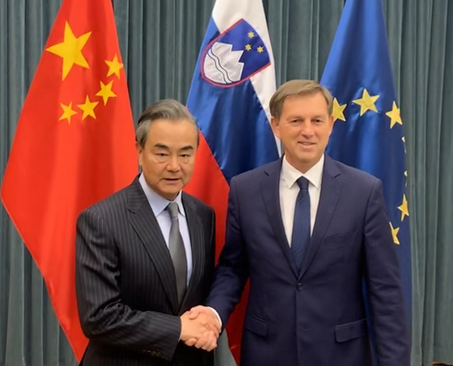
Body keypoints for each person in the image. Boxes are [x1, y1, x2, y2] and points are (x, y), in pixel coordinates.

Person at [190, 80, 409, 365]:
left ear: (330, 124)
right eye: (296, 121)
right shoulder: (245, 190)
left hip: (341, 355)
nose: (308, 131)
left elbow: (385, 290)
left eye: (317, 120)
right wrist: (214, 313)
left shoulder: (364, 192)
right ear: (276, 126)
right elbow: (233, 268)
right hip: (267, 353)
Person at [75, 99, 220, 366]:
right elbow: (99, 316)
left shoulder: (203, 216)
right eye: (162, 154)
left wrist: (207, 321)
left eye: (185, 154)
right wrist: (177, 329)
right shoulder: (101, 220)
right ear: (139, 151)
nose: (175, 166)